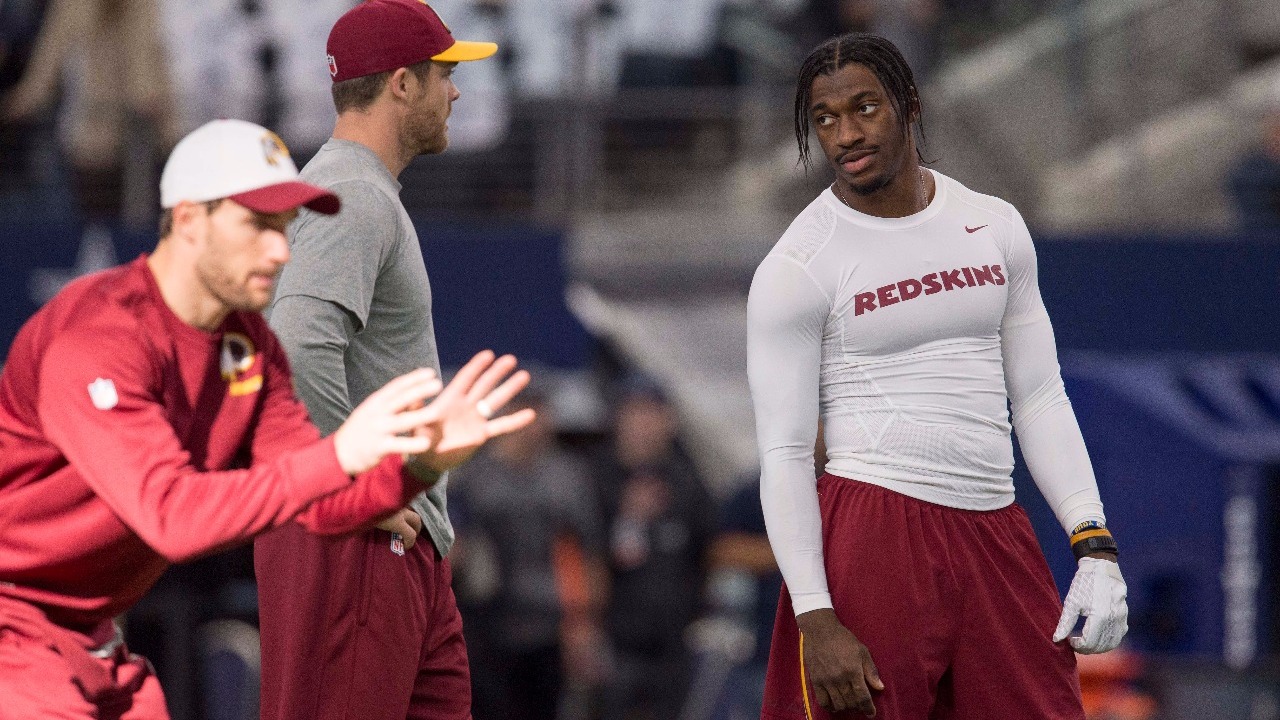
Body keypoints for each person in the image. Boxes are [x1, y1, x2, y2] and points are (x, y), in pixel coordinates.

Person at [0, 117, 535, 719]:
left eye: (283, 227)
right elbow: (171, 516)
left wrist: (420, 464)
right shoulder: (97, 334)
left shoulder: (248, 346)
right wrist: (340, 455)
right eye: (257, 224)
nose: (280, 249)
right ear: (188, 222)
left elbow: (316, 499)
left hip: (83, 633)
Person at [746, 33, 1129, 720]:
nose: (846, 133)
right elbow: (782, 453)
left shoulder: (994, 223)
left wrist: (1092, 542)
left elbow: (1039, 394)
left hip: (997, 528)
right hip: (874, 527)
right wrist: (815, 616)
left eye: (865, 108)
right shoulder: (798, 265)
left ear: (909, 104)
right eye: (825, 119)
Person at [251, 3, 504, 719]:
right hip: (355, 536)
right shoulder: (353, 194)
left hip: (382, 539)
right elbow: (295, 349)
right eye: (444, 74)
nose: (455, 91)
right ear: (401, 84)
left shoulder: (353, 191)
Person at [450, 386, 608, 720]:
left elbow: (587, 552)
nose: (531, 424)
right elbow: (453, 550)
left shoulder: (568, 477)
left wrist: (585, 624)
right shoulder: (473, 476)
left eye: (539, 412)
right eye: (522, 411)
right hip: (485, 620)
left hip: (549, 624)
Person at [594, 377, 716, 720]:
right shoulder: (595, 475)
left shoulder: (687, 480)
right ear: (619, 418)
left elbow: (709, 548)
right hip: (615, 634)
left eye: (653, 413)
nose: (645, 424)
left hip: (673, 638)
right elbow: (587, 553)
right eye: (636, 413)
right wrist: (629, 518)